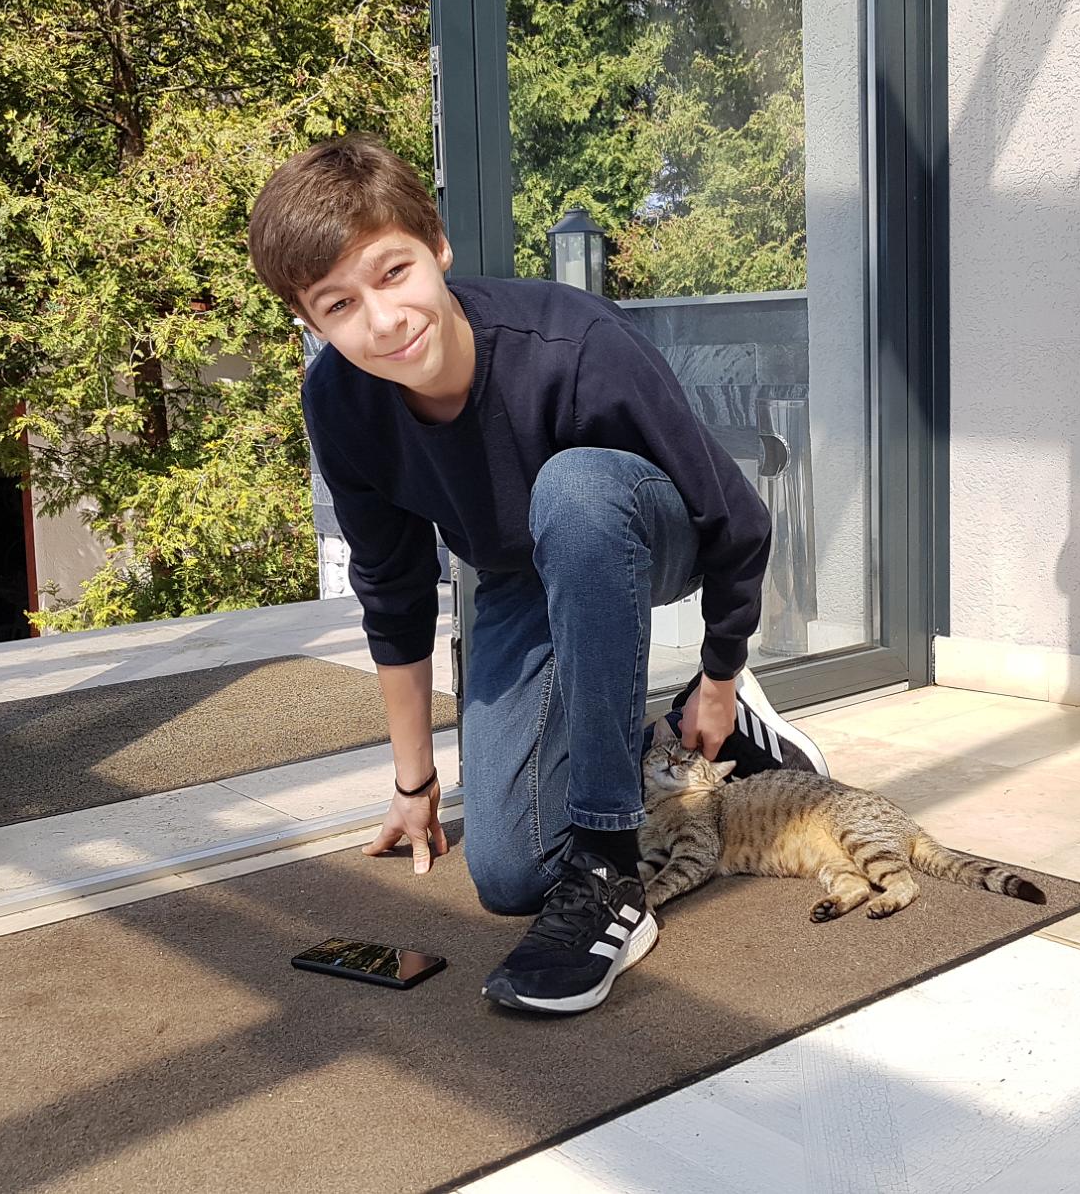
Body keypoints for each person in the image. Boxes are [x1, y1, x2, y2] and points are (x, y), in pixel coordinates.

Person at [247, 132, 828, 1015]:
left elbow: (734, 517)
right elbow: (393, 591)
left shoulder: (571, 341)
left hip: (641, 529)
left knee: (575, 489)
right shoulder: (339, 401)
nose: (383, 319)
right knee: (511, 873)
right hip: (524, 571)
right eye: (339, 304)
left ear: (437, 247)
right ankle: (666, 748)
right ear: (311, 320)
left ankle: (611, 870)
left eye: (394, 272)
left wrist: (720, 676)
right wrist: (413, 784)